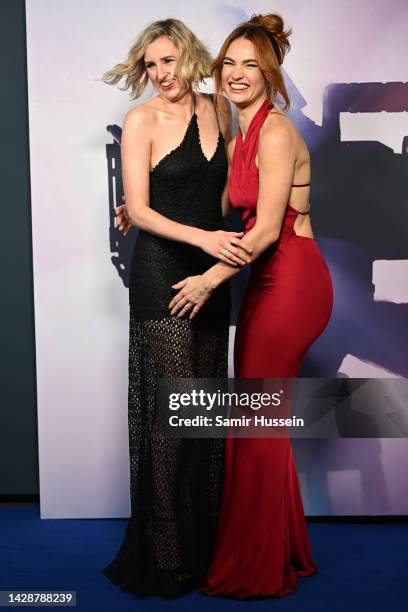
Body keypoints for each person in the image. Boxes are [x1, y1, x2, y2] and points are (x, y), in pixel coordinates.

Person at [169, 13, 333, 599]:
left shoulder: (276, 132)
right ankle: (283, 548)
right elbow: (214, 214)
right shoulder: (240, 135)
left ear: (270, 74)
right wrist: (137, 208)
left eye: (251, 65)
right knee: (260, 418)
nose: (237, 75)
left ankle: (258, 568)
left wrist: (208, 281)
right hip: (264, 281)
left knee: (258, 419)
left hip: (292, 280)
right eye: (229, 64)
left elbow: (264, 233)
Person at [99, 18, 252, 599]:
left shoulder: (222, 108)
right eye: (151, 65)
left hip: (212, 276)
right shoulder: (141, 120)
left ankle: (202, 543)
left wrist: (225, 252)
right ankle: (164, 553)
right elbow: (139, 210)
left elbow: (230, 193)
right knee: (175, 411)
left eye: (169, 61)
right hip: (162, 272)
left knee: (202, 410)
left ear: (189, 57)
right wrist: (206, 238)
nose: (161, 75)